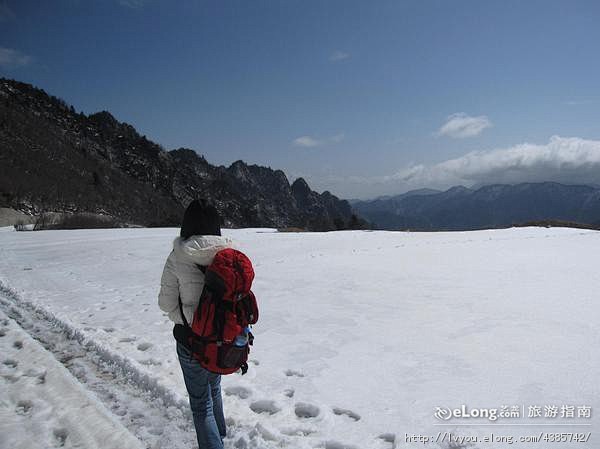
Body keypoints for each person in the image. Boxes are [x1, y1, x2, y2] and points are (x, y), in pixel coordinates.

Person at [158, 199, 234, 449]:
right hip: (221, 340)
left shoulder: (177, 256)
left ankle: (215, 443)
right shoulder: (228, 254)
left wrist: (188, 319)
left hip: (190, 341)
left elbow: (166, 303)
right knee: (214, 389)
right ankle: (220, 436)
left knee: (201, 405)